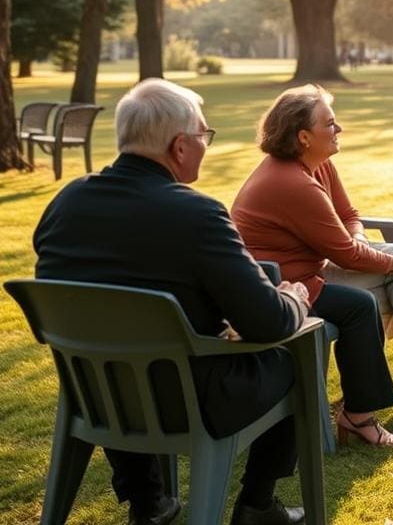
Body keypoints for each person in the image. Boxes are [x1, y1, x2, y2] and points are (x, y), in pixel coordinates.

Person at [33, 79, 309, 525]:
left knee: (123, 351)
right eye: (204, 136)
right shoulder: (195, 214)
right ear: (180, 147)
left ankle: (149, 502)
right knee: (297, 358)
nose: (206, 145)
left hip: (94, 394)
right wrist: (293, 296)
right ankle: (258, 504)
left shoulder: (66, 202)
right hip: (185, 400)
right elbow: (269, 323)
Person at [231, 85, 393, 408]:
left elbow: (349, 215)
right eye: (329, 123)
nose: (338, 128)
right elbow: (347, 255)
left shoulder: (319, 165)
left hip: (315, 270)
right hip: (289, 288)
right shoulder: (292, 182)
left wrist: (360, 236)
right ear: (304, 137)